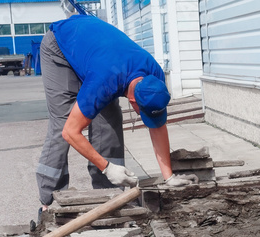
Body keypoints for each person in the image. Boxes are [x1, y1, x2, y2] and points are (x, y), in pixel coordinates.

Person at [35, 6, 193, 210]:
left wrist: (169, 177)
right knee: (63, 123)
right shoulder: (104, 82)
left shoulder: (155, 77)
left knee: (110, 121)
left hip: (97, 52)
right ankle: (49, 200)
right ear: (133, 102)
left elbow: (158, 127)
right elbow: (70, 132)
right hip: (60, 46)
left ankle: (107, 193)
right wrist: (107, 167)